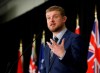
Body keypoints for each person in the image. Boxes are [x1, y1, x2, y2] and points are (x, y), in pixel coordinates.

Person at [40, 5, 87, 73]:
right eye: (48, 18)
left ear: (64, 19)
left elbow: (81, 68)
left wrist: (63, 55)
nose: (51, 20)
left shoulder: (75, 39)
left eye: (55, 16)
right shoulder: (48, 46)